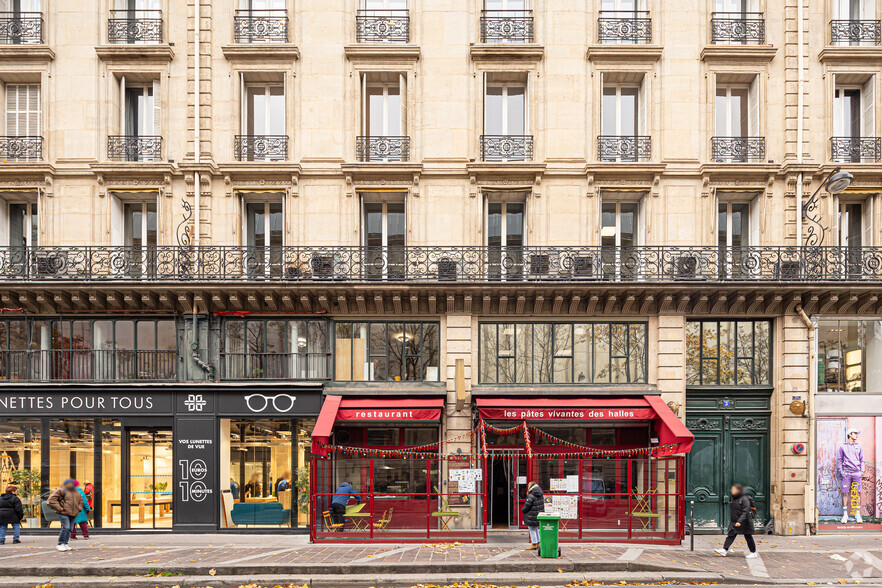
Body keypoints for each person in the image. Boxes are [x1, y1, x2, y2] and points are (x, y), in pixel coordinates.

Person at [715, 483, 758, 559]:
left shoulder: (744, 499)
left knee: (748, 537)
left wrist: (739, 521)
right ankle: (724, 550)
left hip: (745, 522)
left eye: (733, 489)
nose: (732, 491)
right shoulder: (735, 498)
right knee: (731, 535)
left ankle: (753, 552)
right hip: (736, 521)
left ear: (738, 490)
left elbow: (746, 511)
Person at [837, 427, 866, 524]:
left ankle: (857, 514)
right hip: (846, 473)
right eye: (855, 433)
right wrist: (842, 471)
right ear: (850, 434)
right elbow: (839, 460)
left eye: (857, 433)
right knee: (845, 493)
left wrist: (861, 471)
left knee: (857, 493)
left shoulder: (859, 447)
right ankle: (845, 515)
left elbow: (862, 460)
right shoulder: (842, 446)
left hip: (857, 473)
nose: (857, 435)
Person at [47, 478, 83, 552]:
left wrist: (79, 508)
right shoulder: (61, 490)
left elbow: (81, 501)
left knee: (70, 528)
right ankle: (60, 544)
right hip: (63, 512)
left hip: (73, 513)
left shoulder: (76, 492)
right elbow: (51, 499)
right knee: (66, 527)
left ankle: (65, 543)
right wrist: (60, 508)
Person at [521, 481, 545, 550]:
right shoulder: (540, 494)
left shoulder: (531, 495)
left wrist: (523, 510)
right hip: (538, 515)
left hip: (531, 515)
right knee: (536, 529)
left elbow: (527, 506)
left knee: (532, 529)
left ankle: (534, 543)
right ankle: (538, 542)